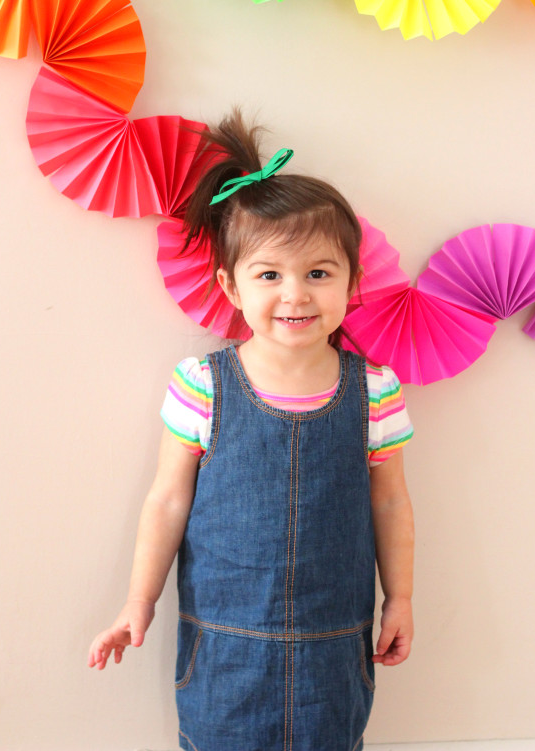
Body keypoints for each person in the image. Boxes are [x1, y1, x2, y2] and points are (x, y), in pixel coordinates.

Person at [88, 110, 415, 751]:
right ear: (230, 287)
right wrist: (138, 602)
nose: (295, 294)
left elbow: (390, 499)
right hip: (223, 649)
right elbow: (168, 498)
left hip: (336, 643)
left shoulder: (376, 390)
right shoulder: (202, 383)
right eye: (270, 274)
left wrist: (400, 597)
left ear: (353, 283)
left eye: (319, 272)